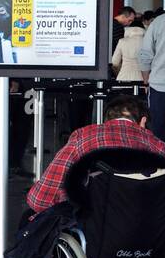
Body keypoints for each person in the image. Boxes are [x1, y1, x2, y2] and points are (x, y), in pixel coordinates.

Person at [27, 92, 165, 215]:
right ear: (143, 121)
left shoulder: (82, 136)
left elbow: (40, 199)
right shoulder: (157, 145)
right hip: (148, 226)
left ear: (106, 120)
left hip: (94, 226)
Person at [140, 12, 165, 140]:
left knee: (158, 135)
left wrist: (145, 82)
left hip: (160, 86)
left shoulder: (158, 22)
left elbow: (145, 55)